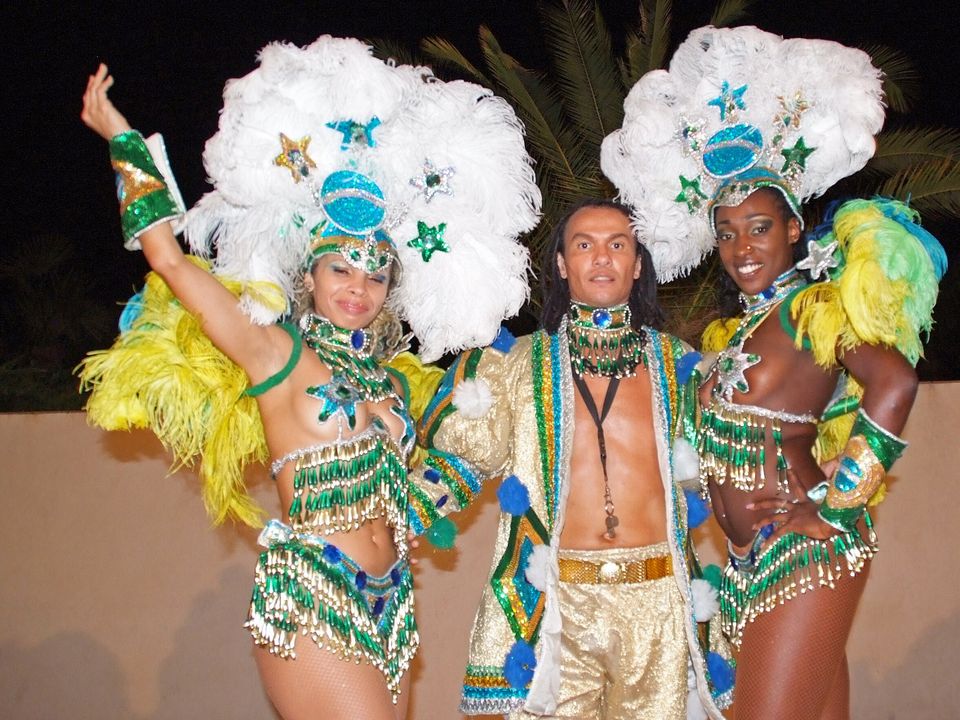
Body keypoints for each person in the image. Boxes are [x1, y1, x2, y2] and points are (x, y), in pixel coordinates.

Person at [79, 37, 540, 720]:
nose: (358, 287)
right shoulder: (275, 354)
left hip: (389, 605)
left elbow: (417, 487)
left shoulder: (391, 384)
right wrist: (123, 141)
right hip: (312, 593)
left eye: (374, 275)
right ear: (309, 275)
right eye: (340, 269)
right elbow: (171, 264)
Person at [602, 26, 945, 720]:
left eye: (758, 227)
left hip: (803, 549)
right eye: (726, 233)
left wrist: (837, 504)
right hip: (748, 563)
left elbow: (894, 383)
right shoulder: (734, 335)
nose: (741, 248)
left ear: (792, 229)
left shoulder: (814, 308)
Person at [406, 198, 734, 719]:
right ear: (561, 264)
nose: (601, 257)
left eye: (617, 244)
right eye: (584, 245)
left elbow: (733, 463)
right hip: (557, 607)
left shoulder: (680, 366)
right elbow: (457, 464)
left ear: (638, 264)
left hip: (661, 605)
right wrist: (386, 523)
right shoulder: (516, 365)